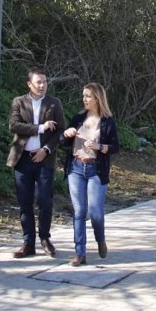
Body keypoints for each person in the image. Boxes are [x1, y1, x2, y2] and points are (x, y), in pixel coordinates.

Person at [7, 68, 65, 258]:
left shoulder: (54, 104)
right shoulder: (19, 102)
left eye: (45, 82)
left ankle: (45, 238)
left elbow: (60, 133)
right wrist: (41, 127)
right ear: (29, 84)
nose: (42, 86)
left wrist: (46, 150)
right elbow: (14, 125)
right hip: (23, 159)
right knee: (25, 204)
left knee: (44, 201)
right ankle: (28, 243)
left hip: (44, 160)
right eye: (38, 82)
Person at [61, 83, 120, 267]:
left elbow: (116, 147)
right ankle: (80, 253)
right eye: (83, 96)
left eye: (88, 96)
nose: (84, 99)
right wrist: (66, 134)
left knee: (95, 213)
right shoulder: (78, 118)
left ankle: (100, 239)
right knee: (79, 211)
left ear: (97, 98)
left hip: (96, 170)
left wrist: (99, 147)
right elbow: (63, 141)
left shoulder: (107, 121)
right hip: (76, 168)